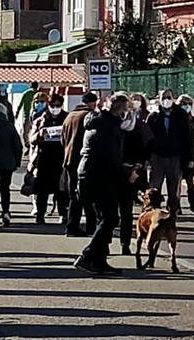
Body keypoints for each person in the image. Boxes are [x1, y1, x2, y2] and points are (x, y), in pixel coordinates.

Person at [73, 93, 138, 275]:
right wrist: (126, 172)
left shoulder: (98, 121)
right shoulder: (107, 127)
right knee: (110, 218)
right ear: (121, 110)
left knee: (105, 217)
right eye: (127, 110)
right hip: (98, 177)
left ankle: (99, 260)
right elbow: (108, 158)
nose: (128, 114)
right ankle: (88, 256)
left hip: (90, 175)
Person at [147, 89, 191, 215]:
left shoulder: (181, 115)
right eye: (164, 97)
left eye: (169, 97)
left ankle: (172, 211)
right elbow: (148, 138)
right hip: (157, 156)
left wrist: (189, 158)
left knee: (174, 186)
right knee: (155, 186)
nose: (166, 100)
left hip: (175, 156)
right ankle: (153, 211)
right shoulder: (154, 116)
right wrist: (147, 157)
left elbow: (187, 137)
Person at [119, 99, 153, 255]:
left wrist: (137, 169)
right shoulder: (112, 124)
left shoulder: (139, 127)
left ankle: (125, 243)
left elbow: (146, 149)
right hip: (112, 172)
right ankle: (104, 244)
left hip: (132, 172)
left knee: (126, 211)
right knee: (109, 213)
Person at [62, 92, 98, 236]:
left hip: (69, 159)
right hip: (83, 160)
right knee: (88, 195)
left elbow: (63, 140)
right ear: (92, 103)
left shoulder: (69, 116)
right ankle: (90, 226)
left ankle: (71, 226)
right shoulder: (88, 117)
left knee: (74, 194)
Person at [28, 93, 66, 224]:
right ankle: (40, 214)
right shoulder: (40, 119)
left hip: (61, 158)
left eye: (58, 105)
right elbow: (31, 139)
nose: (55, 108)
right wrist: (39, 135)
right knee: (42, 190)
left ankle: (63, 214)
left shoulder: (66, 118)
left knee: (61, 189)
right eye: (52, 105)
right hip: (43, 159)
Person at [178, 95, 194, 215]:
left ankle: (193, 205)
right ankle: (176, 206)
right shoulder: (176, 120)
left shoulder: (193, 120)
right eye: (183, 103)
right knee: (176, 181)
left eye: (188, 103)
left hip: (191, 152)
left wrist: (190, 136)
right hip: (177, 153)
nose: (186, 106)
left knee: (190, 180)